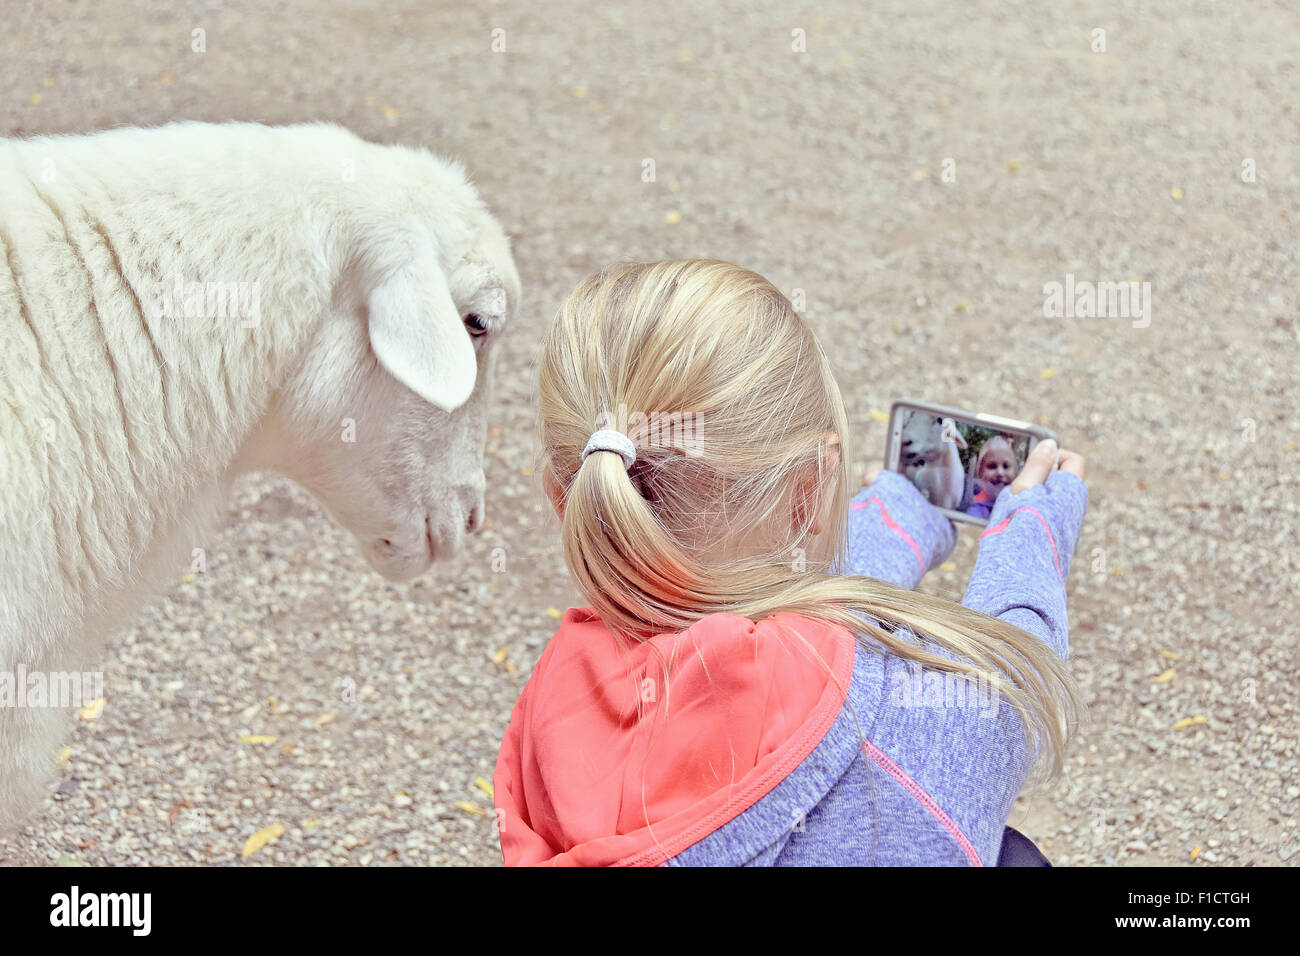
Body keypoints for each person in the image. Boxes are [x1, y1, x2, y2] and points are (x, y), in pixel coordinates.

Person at [493, 259, 1088, 866]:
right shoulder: (902, 746)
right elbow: (1011, 691)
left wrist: (892, 525)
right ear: (809, 490)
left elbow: (770, 623)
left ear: (566, 495)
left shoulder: (554, 705)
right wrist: (1031, 529)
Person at [966, 434, 1021, 519]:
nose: (1000, 472)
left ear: (1016, 473)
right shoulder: (975, 510)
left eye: (1006, 466)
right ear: (980, 473)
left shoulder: (1023, 505)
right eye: (992, 466)